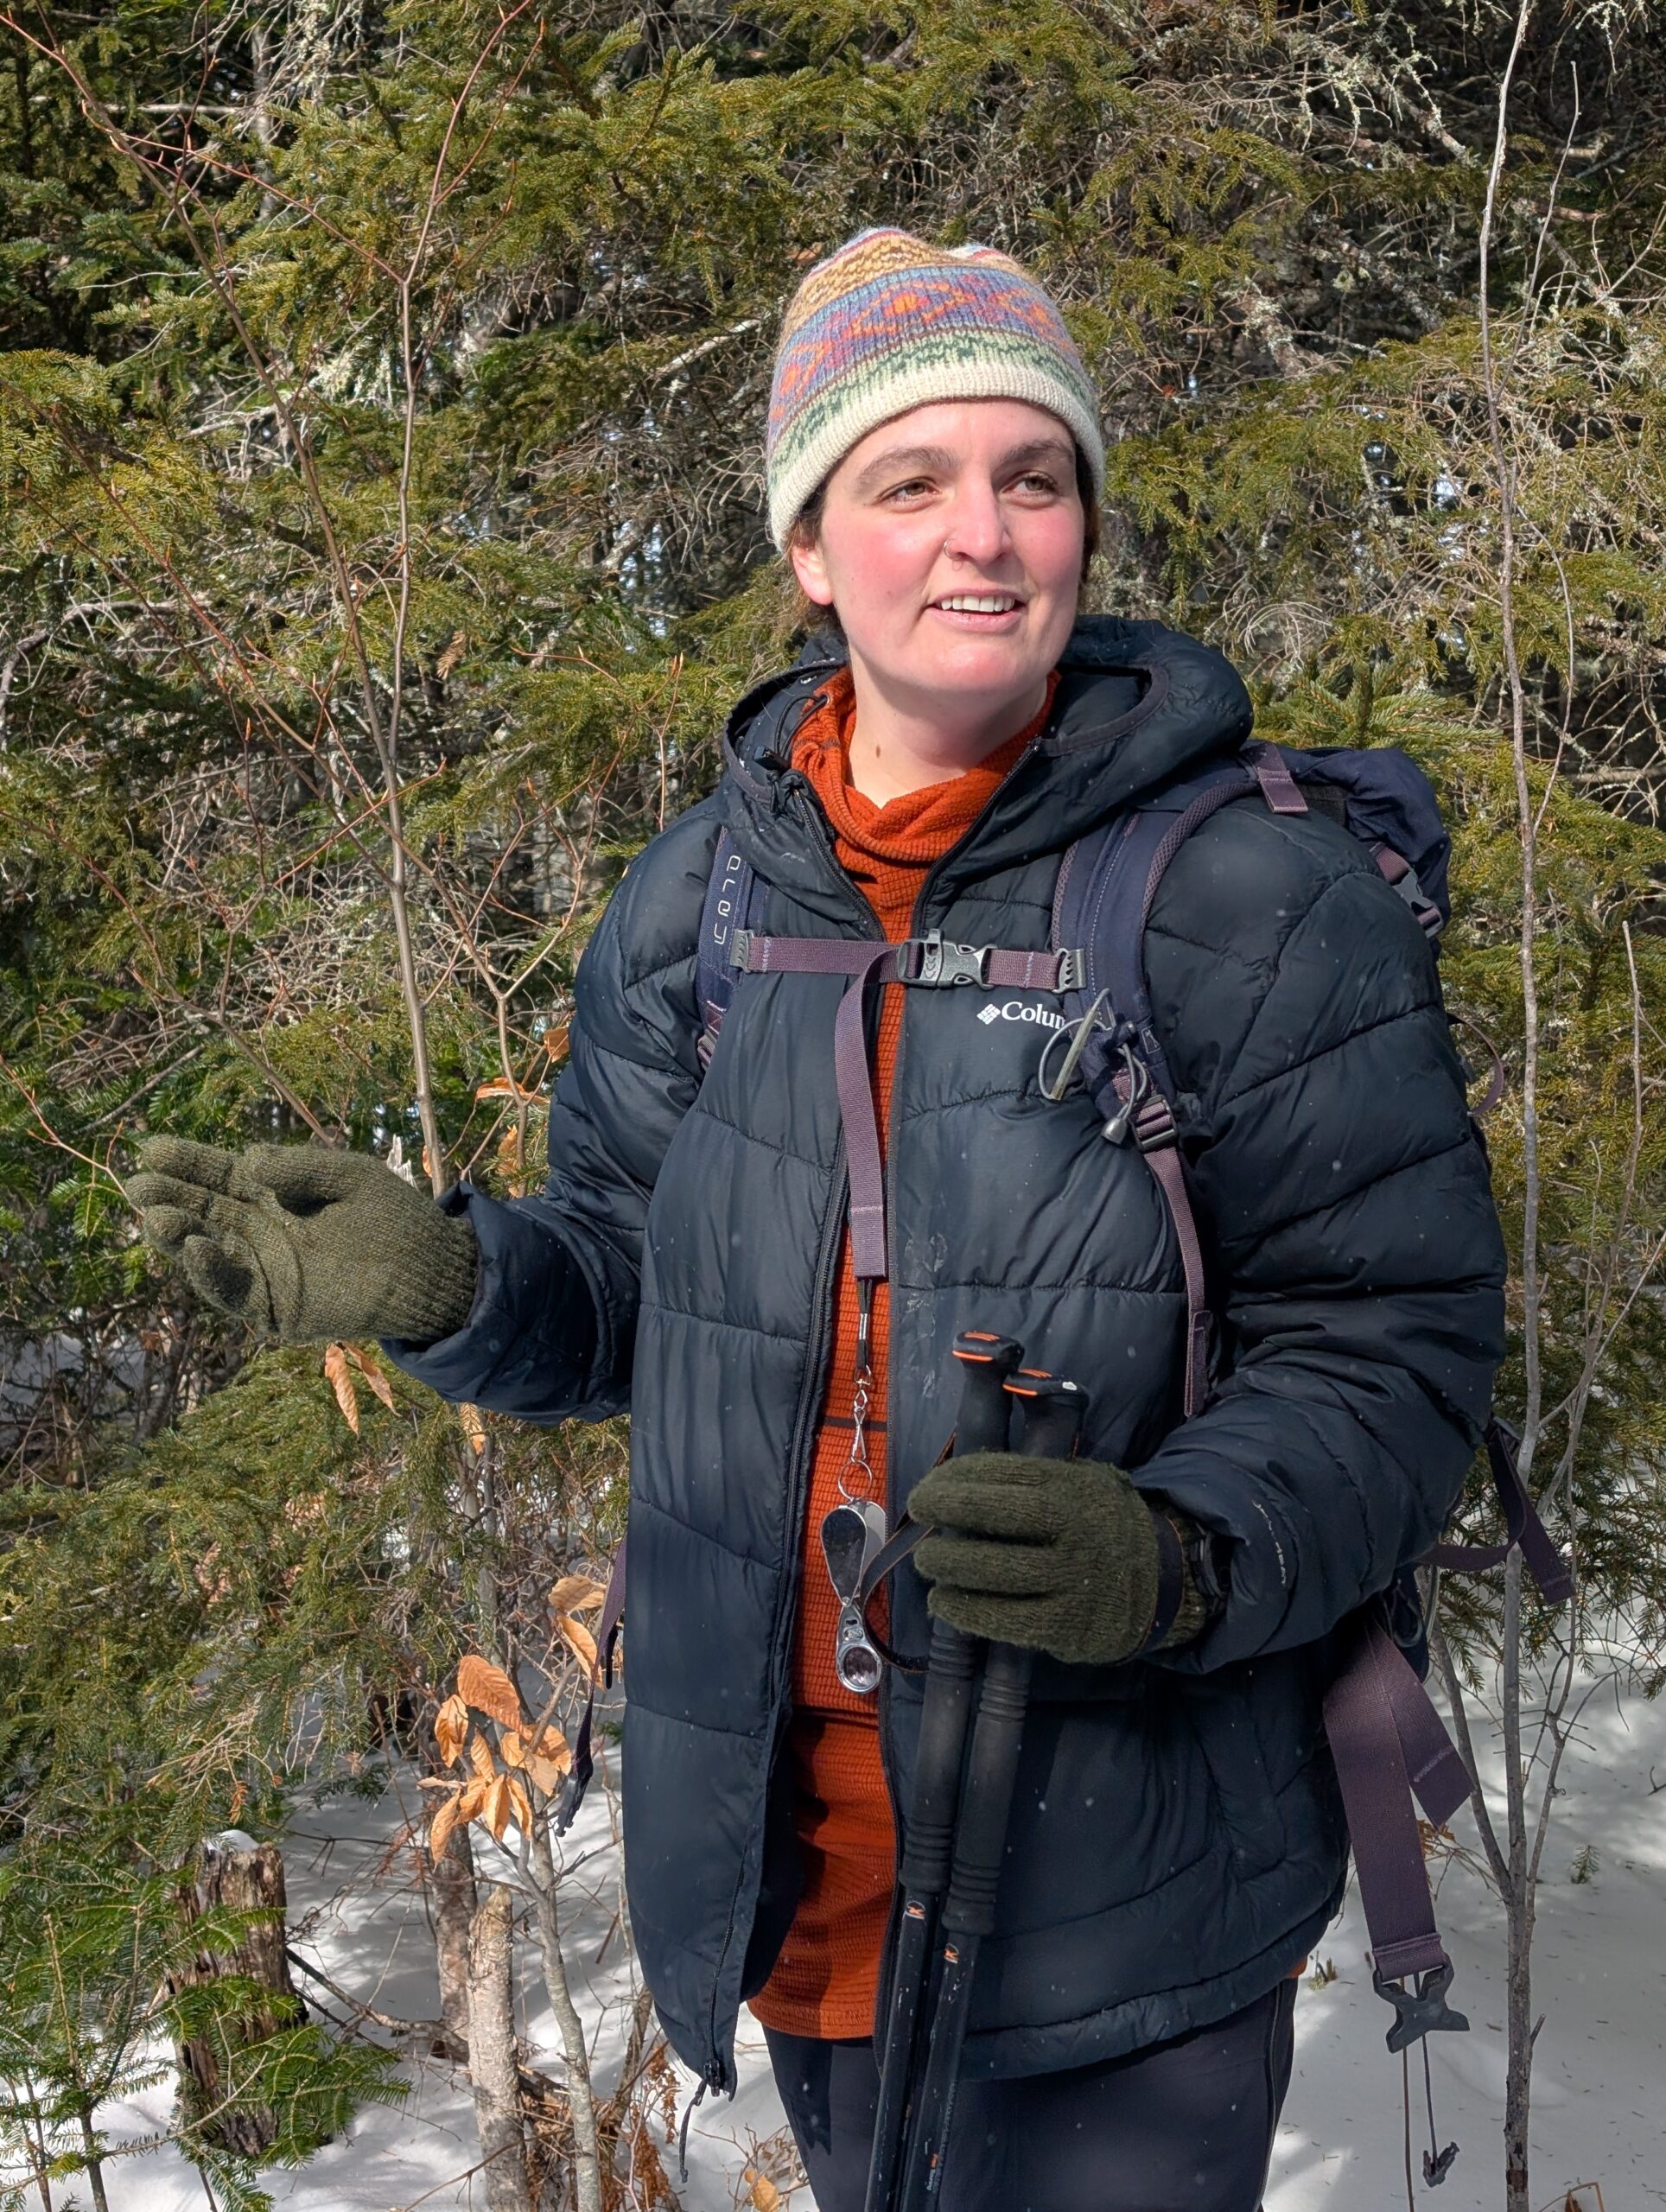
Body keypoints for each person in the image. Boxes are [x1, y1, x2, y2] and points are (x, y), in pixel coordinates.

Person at [127, 228, 1506, 2211]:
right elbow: (628, 1289)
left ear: (1086, 526)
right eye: (908, 481)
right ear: (806, 540)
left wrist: (1181, 1552)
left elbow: (1392, 1342)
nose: (981, 535)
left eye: (1032, 478)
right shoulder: (705, 899)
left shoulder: (1254, 896)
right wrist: (441, 1279)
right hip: (794, 1881)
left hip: (1119, 1879)